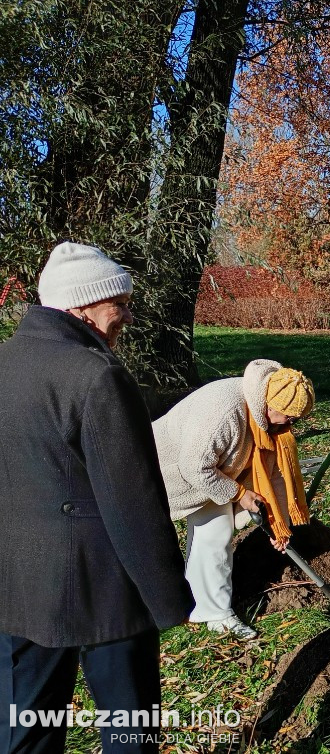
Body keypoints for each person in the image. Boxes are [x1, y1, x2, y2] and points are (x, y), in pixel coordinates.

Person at [0, 241, 193, 753]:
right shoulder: (96, 376)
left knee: (24, 731)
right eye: (120, 304)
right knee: (129, 730)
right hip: (106, 589)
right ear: (82, 306)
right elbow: (134, 501)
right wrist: (170, 597)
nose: (127, 316)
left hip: (15, 587)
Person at [153, 360, 315, 640]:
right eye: (289, 418)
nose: (292, 425)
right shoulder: (225, 413)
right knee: (147, 543)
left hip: (215, 473)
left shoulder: (270, 424)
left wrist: (280, 526)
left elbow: (275, 475)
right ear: (270, 405)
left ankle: (211, 610)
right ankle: (157, 608)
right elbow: (193, 466)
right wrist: (240, 494)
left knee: (215, 535)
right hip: (159, 470)